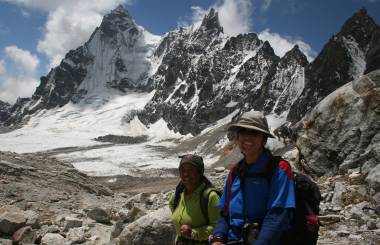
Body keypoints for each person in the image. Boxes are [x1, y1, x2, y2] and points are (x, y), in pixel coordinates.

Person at [210, 111, 296, 245]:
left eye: (254, 133)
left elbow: (277, 215)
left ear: (264, 139)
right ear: (237, 137)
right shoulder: (234, 172)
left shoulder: (279, 169)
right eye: (243, 132)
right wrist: (218, 237)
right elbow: (225, 214)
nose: (247, 138)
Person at [169, 154, 221, 245]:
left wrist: (193, 233)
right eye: (182, 170)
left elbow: (219, 227)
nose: (186, 174)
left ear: (199, 172)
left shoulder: (210, 197)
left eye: (190, 170)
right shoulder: (177, 196)